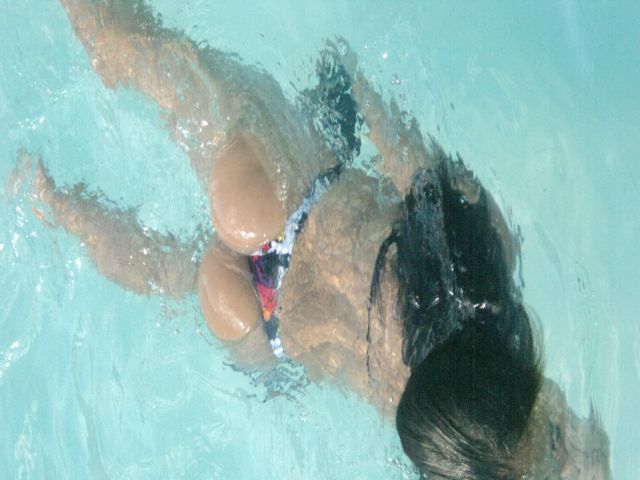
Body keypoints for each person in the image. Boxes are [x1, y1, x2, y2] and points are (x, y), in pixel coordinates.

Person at [17, 1, 611, 478]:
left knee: (155, 57)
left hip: (281, 200)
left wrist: (354, 78)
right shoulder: (442, 439)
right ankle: (52, 203)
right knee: (170, 272)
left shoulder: (485, 249)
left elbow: (406, 157)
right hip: (264, 324)